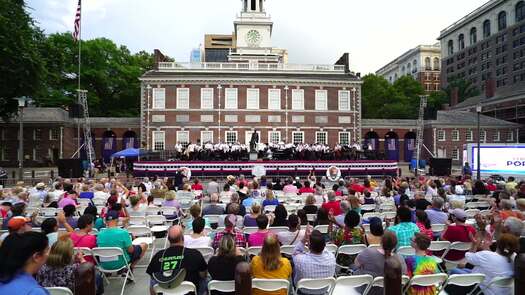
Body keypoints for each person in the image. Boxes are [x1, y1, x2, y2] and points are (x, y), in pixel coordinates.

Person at [146, 225, 207, 295]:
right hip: (190, 293)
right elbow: (203, 275)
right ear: (183, 238)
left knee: (153, 279)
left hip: (165, 292)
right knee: (204, 279)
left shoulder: (157, 256)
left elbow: (153, 285)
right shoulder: (195, 254)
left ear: (168, 239)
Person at [448, 233, 517, 295]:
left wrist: (474, 244)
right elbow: (495, 261)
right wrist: (487, 250)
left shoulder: (487, 255)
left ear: (498, 243)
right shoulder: (515, 258)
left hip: (484, 290)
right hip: (503, 291)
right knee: (465, 269)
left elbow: (468, 256)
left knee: (453, 271)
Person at [292, 229, 336, 295]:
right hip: (323, 290)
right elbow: (323, 248)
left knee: (293, 267)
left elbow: (295, 252)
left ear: (309, 246)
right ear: (324, 245)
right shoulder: (331, 257)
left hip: (303, 291)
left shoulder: (300, 260)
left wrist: (304, 239)